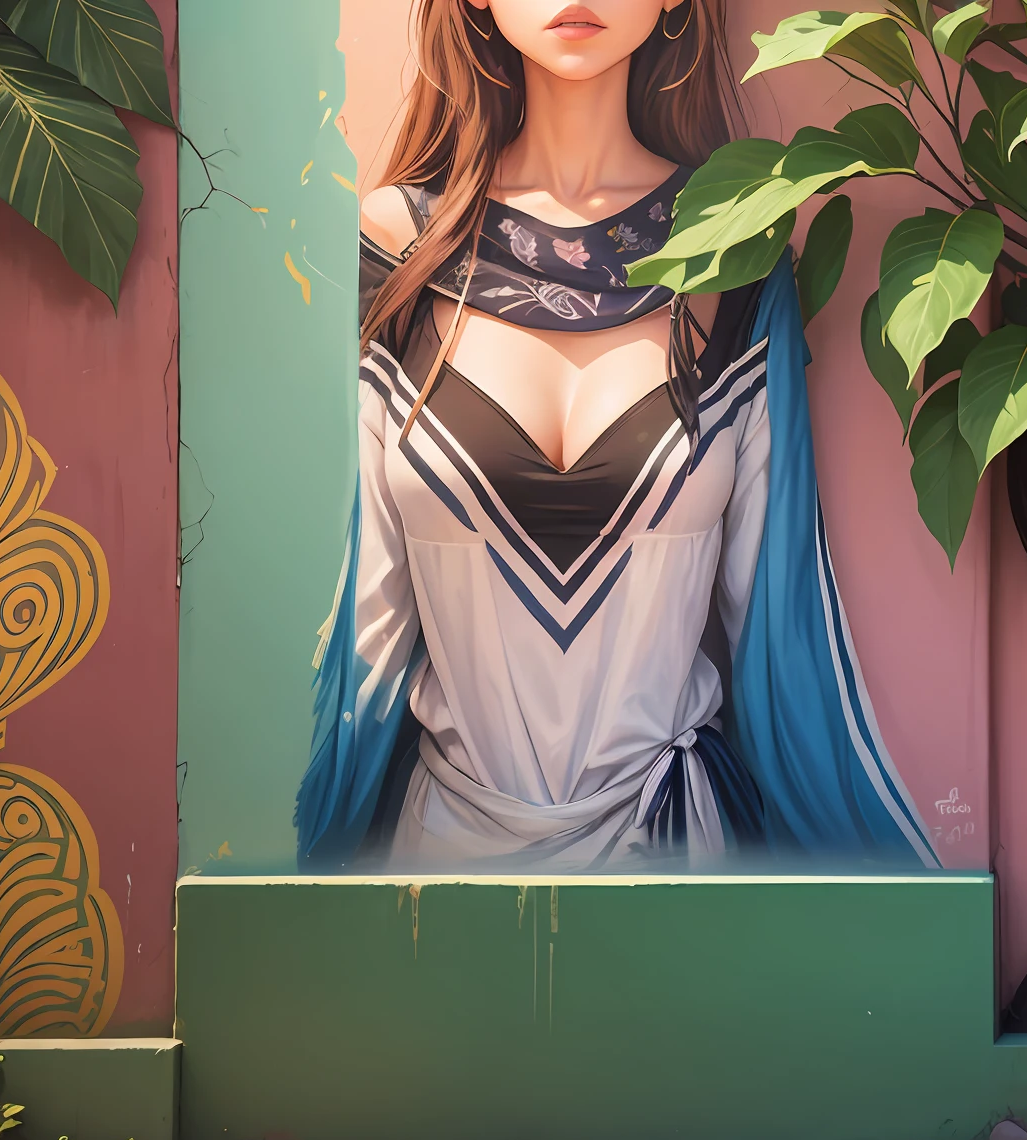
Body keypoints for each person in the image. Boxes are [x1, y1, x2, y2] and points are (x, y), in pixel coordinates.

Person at [296, 0, 937, 872]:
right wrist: (312, 898)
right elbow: (367, 626)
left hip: (677, 874)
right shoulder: (396, 249)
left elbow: (783, 637)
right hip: (440, 884)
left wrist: (896, 934)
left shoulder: (737, 257)